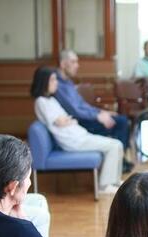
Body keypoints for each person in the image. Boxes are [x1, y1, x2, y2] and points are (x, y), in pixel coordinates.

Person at [31, 66, 123, 195]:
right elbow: (60, 121)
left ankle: (114, 181)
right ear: (43, 82)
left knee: (116, 144)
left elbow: (66, 119)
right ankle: (104, 186)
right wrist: (68, 120)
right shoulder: (41, 101)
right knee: (114, 145)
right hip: (73, 141)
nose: (56, 82)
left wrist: (68, 120)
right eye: (52, 80)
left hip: (79, 136)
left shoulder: (50, 100)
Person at [54, 50, 132, 173]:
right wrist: (97, 116)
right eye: (73, 62)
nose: (77, 65)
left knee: (121, 119)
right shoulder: (58, 85)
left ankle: (119, 160)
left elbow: (82, 105)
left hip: (86, 118)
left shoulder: (68, 82)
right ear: (63, 64)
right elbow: (75, 111)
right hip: (78, 123)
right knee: (122, 122)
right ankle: (119, 161)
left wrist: (101, 112)